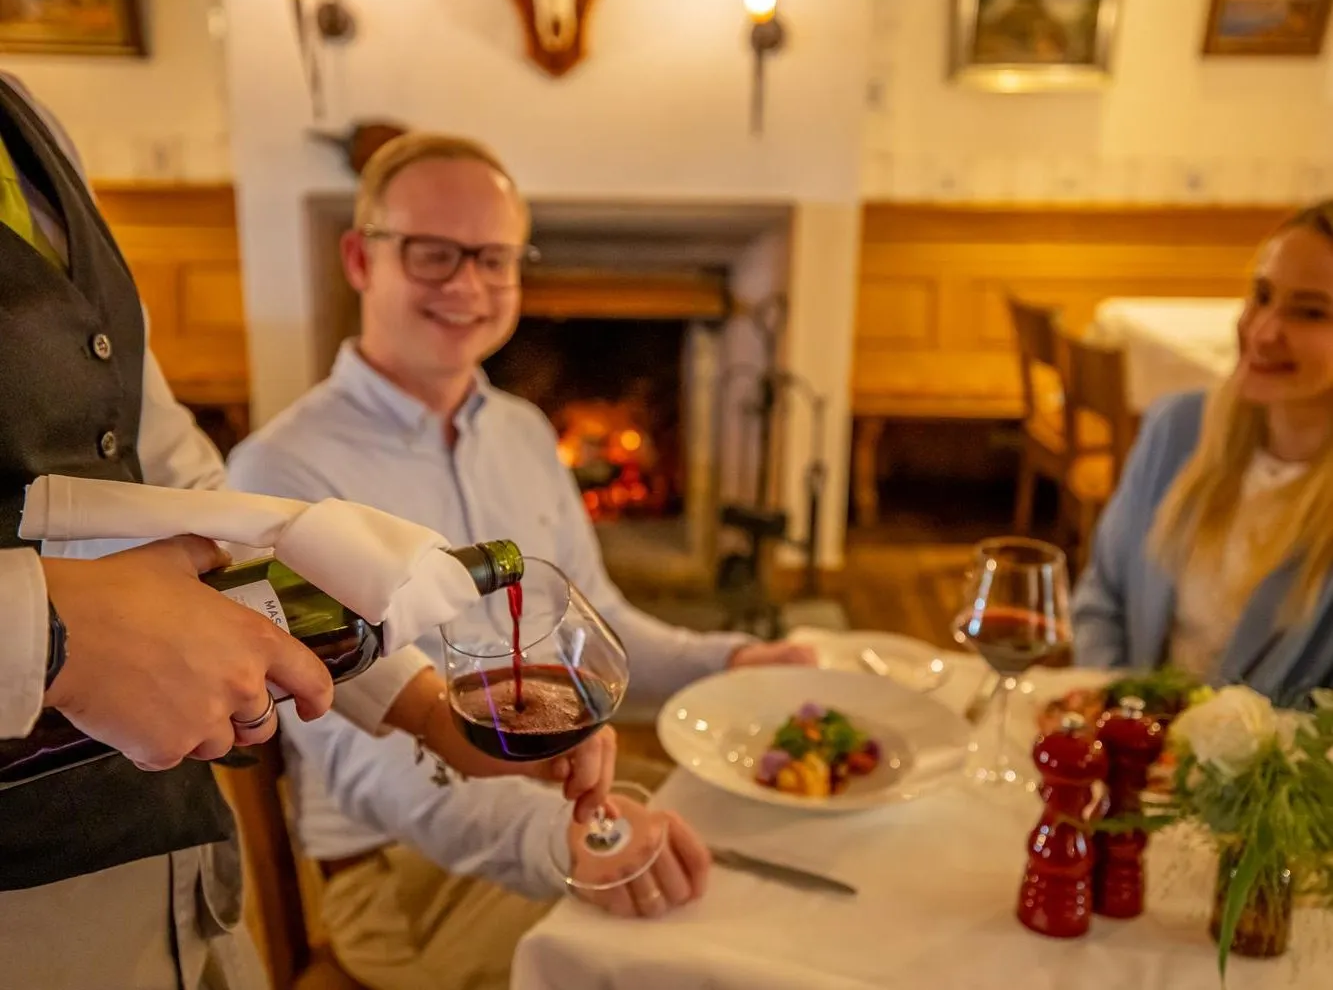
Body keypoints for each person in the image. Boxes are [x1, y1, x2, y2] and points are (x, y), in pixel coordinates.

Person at [226, 132, 816, 990]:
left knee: (772, 854)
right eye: (433, 254)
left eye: (495, 259)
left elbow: (596, 635)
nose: (468, 285)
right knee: (695, 962)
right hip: (399, 871)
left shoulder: (525, 433)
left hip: (558, 794)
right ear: (360, 258)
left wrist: (730, 663)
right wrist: (551, 841)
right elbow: (368, 757)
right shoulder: (281, 474)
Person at [0, 73, 337, 989]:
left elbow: (154, 448)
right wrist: (52, 632)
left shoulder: (31, 119)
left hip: (168, 846)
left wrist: (414, 697)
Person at [1073, 200, 1333, 705]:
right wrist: (1120, 717)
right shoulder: (1175, 428)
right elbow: (1102, 595)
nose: (1263, 331)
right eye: (1261, 296)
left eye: (1311, 312)